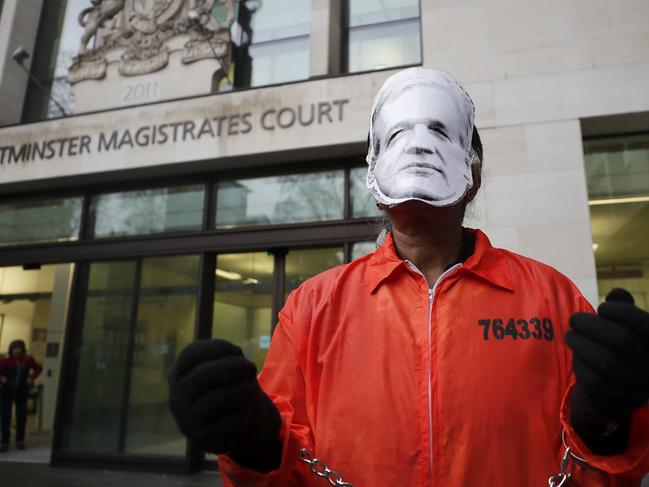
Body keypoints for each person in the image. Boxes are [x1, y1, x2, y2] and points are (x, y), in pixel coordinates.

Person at [168, 68, 649, 486]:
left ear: (473, 174)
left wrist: (605, 421)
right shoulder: (312, 308)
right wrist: (252, 438)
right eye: (397, 136)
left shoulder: (553, 298)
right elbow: (283, 469)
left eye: (440, 131)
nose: (418, 146)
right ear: (374, 180)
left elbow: (607, 475)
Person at [0, 339, 43, 452]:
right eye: (14, 349)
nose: (16, 351)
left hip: (21, 392)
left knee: (21, 417)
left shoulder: (28, 360)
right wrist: (1, 378)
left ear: (22, 349)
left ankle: (20, 440)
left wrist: (31, 378)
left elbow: (38, 369)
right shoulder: (5, 360)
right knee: (5, 417)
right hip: (6, 392)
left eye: (19, 349)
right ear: (11, 349)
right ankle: (4, 441)